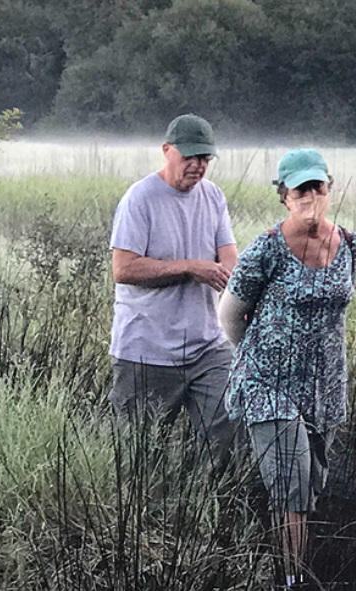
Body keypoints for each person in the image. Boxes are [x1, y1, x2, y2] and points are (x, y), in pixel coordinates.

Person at [218, 148, 356, 590]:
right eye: (300, 189)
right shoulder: (267, 248)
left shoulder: (349, 244)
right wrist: (261, 357)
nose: (310, 196)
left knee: (310, 487)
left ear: (329, 189)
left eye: (317, 186)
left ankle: (290, 564)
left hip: (325, 387)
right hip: (269, 385)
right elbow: (229, 315)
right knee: (291, 489)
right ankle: (290, 580)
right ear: (284, 196)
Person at [108, 113, 239, 469]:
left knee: (228, 423)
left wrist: (232, 276)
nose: (197, 166)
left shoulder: (213, 197)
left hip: (207, 346)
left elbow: (229, 257)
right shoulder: (140, 199)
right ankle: (149, 516)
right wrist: (190, 268)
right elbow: (124, 268)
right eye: (190, 157)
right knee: (137, 454)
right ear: (167, 151)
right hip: (146, 350)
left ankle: (201, 504)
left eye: (205, 159)